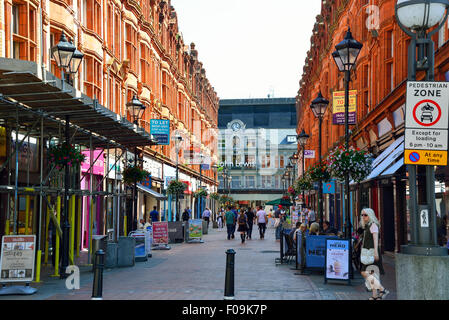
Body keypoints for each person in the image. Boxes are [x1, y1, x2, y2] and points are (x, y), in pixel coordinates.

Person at [359, 208, 389, 300]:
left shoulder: (373, 225)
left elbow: (376, 239)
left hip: (372, 252)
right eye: (362, 215)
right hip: (367, 252)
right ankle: (375, 295)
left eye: (365, 215)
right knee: (372, 274)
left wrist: (376, 252)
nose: (363, 217)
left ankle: (382, 289)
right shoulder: (367, 226)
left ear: (370, 215)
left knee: (364, 272)